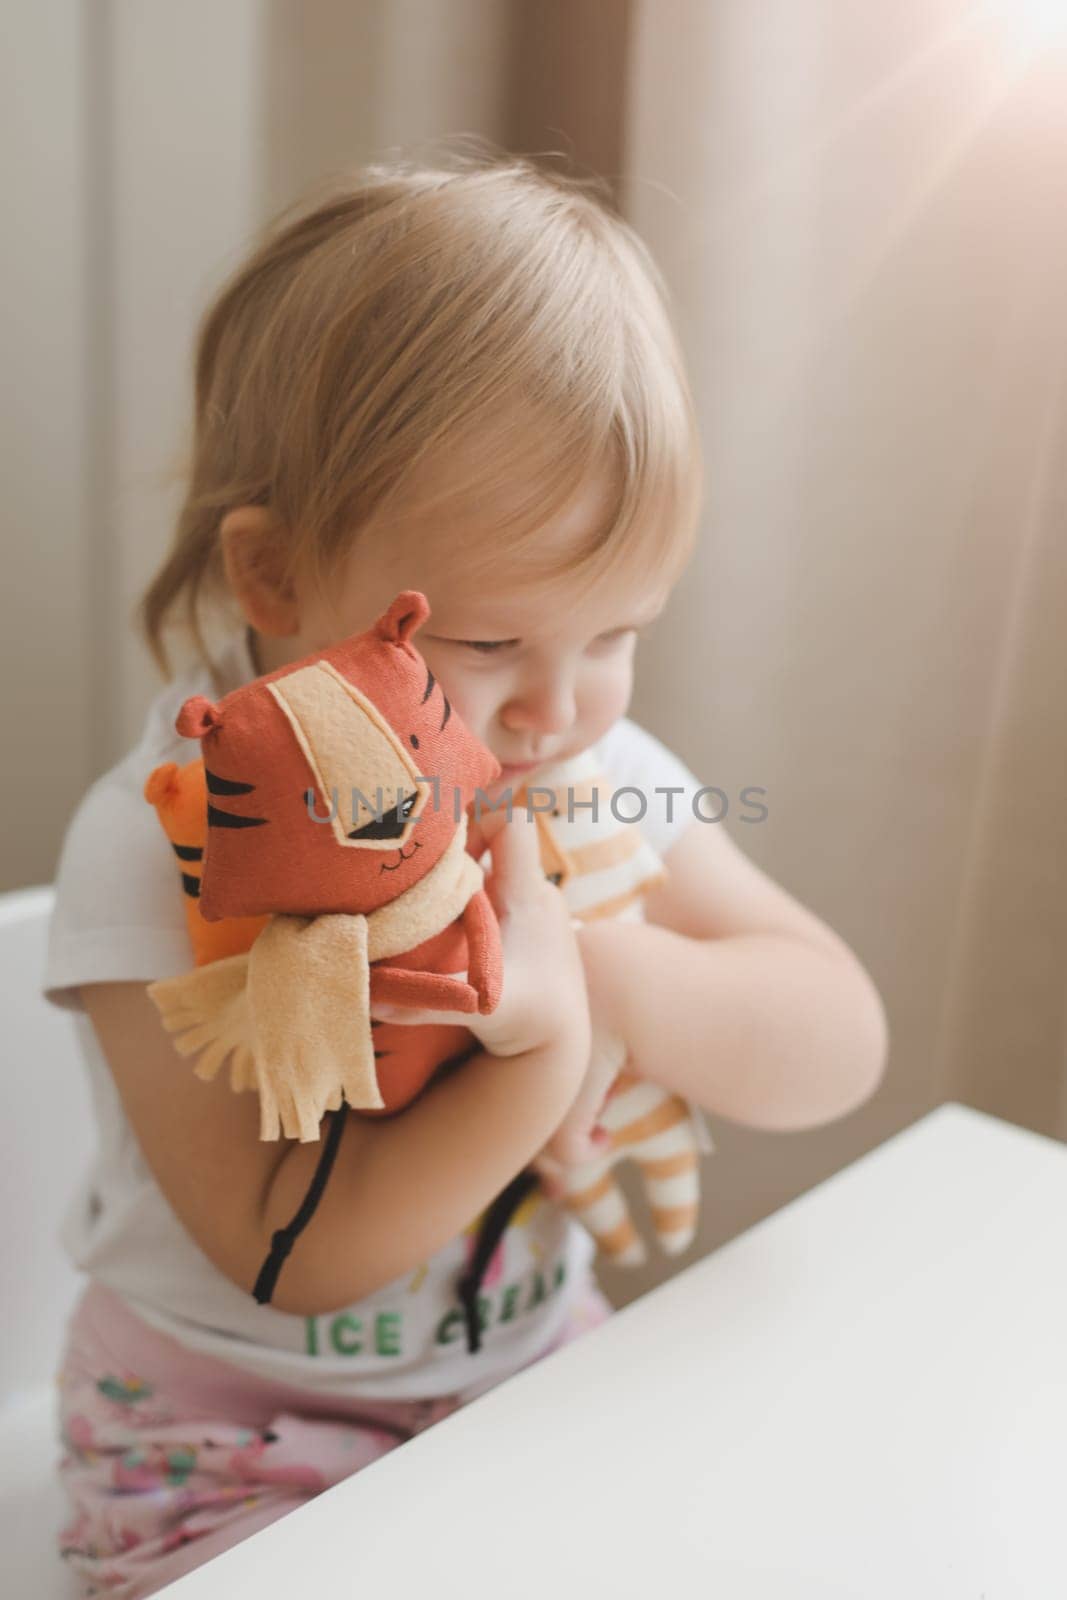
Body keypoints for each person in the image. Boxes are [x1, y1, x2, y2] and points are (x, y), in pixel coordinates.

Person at [42, 146, 888, 1597]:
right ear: (274, 577)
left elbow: (834, 1044)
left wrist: (604, 970)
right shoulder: (155, 842)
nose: (558, 709)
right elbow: (292, 1255)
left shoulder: (580, 780)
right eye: (488, 644)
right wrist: (533, 1044)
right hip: (226, 1433)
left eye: (618, 632)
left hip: (528, 1370)